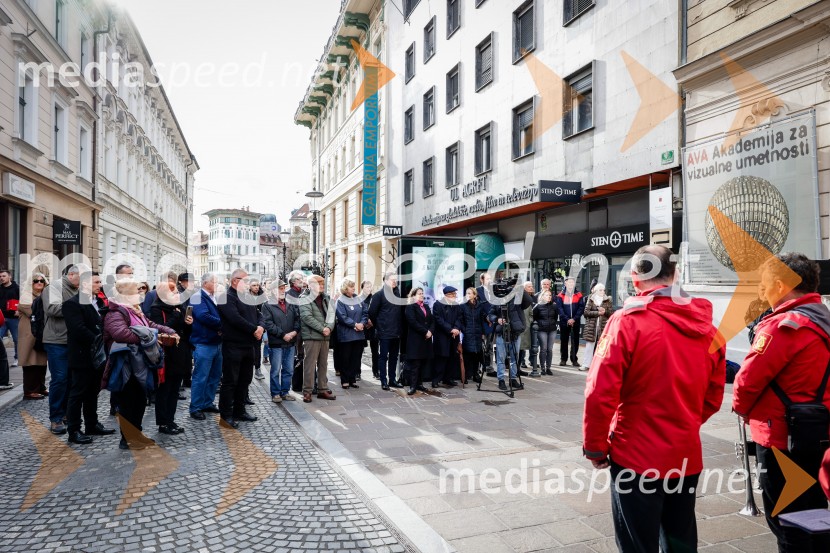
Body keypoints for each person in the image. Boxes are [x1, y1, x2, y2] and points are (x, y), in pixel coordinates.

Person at [583, 245, 725, 553]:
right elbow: (713, 395)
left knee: (637, 543)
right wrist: (684, 422)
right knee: (680, 539)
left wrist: (595, 446)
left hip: (636, 456)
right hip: (685, 454)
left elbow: (599, 393)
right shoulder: (709, 329)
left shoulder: (627, 322)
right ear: (675, 275)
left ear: (635, 278)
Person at [733, 253, 830, 552]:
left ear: (779, 285)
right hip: (820, 432)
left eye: (763, 285)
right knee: (816, 512)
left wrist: (742, 410)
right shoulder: (824, 319)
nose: (761, 292)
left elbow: (746, 383)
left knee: (787, 521)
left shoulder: (783, 326)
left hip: (782, 437)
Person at [104, 278, 176, 450]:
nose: (140, 293)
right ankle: (127, 439)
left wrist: (167, 330)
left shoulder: (135, 310)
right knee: (128, 402)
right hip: (126, 364)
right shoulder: (115, 312)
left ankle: (137, 433)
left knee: (139, 400)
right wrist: (151, 337)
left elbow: (149, 324)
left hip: (140, 363)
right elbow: (121, 334)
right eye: (136, 291)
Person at [64, 271, 115, 444]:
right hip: (81, 355)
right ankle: (74, 430)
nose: (100, 285)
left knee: (93, 392)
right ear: (85, 284)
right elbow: (78, 329)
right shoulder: (72, 303)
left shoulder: (98, 301)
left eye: (100, 281)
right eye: (96, 282)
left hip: (97, 355)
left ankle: (92, 424)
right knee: (77, 393)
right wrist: (98, 339)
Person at [217, 269, 263, 428]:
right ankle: (226, 415)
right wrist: (254, 329)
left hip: (248, 345)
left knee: (245, 380)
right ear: (235, 281)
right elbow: (235, 319)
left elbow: (259, 314)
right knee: (230, 381)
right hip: (233, 345)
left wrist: (261, 327)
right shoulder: (225, 297)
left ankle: (239, 410)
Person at [150, 275, 192, 435]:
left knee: (175, 388)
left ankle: (171, 420)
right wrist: (176, 318)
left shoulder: (178, 307)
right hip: (166, 354)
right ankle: (163, 423)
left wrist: (189, 323)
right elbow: (161, 329)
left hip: (180, 352)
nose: (176, 295)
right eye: (173, 292)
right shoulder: (156, 309)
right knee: (164, 389)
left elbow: (184, 332)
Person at [43, 265, 80, 434]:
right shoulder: (55, 287)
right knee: (59, 379)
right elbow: (51, 309)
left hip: (73, 340)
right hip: (56, 340)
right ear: (71, 275)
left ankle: (66, 414)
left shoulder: (77, 288)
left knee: (71, 379)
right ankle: (56, 418)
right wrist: (77, 308)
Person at [189, 272, 223, 421]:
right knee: (200, 377)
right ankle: (196, 407)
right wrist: (223, 324)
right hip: (203, 342)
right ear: (205, 283)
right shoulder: (197, 297)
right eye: (214, 282)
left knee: (214, 376)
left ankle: (207, 402)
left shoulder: (214, 297)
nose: (217, 285)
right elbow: (203, 316)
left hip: (216, 342)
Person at [262, 280, 300, 403]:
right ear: (273, 291)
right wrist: (283, 335)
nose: (283, 291)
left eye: (284, 288)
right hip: (277, 343)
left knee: (289, 369)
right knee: (275, 370)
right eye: (280, 288)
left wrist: (294, 332)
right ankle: (275, 393)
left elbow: (298, 319)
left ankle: (285, 392)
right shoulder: (267, 305)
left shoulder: (291, 303)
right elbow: (268, 324)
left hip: (290, 342)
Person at [300, 275, 336, 403]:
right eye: (318, 284)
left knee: (323, 364)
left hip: (325, 336)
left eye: (322, 284)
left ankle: (322, 389)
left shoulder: (326, 298)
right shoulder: (304, 299)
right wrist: (323, 329)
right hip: (312, 336)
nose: (321, 286)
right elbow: (307, 317)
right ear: (310, 285)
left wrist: (329, 328)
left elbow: (332, 315)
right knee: (309, 365)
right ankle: (307, 391)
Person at [489, 285, 532, 391]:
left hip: (515, 332)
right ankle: (501, 380)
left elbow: (529, 300)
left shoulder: (517, 299)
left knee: (514, 358)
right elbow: (490, 314)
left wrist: (519, 288)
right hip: (502, 332)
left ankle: (513, 379)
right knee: (501, 358)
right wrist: (497, 319)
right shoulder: (497, 300)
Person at [369, 272, 404, 391]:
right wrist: (380, 325)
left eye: (396, 280)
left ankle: (392, 379)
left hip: (397, 331)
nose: (394, 281)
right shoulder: (378, 295)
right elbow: (372, 313)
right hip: (384, 332)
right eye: (392, 279)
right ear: (385, 281)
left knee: (394, 357)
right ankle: (384, 381)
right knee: (383, 357)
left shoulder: (398, 294)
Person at [19, 273, 49, 399]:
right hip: (29, 333)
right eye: (36, 280)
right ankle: (30, 390)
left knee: (41, 361)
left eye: (42, 280)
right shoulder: (26, 296)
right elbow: (36, 312)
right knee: (30, 362)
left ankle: (41, 387)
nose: (39, 282)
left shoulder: (45, 295)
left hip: (41, 332)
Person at [335, 279, 368, 390]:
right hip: (346, 335)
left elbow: (365, 312)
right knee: (345, 358)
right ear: (345, 288)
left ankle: (352, 379)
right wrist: (355, 324)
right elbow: (342, 317)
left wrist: (362, 323)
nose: (354, 288)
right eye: (351, 286)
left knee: (356, 358)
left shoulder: (357, 299)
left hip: (359, 334)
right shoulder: (340, 301)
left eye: (353, 286)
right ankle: (345, 380)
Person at [404, 287, 434, 396]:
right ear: (413, 296)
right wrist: (425, 331)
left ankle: (420, 383)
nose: (421, 295)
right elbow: (413, 322)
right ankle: (413, 386)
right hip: (416, 339)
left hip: (426, 339)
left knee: (423, 363)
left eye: (422, 293)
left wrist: (430, 331)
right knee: (415, 364)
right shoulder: (410, 307)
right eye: (419, 294)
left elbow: (432, 320)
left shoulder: (426, 306)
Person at [432, 286, 461, 388]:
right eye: (453, 294)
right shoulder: (438, 305)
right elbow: (439, 320)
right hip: (442, 337)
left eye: (455, 294)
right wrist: (450, 329)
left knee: (452, 358)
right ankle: (436, 380)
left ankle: (448, 379)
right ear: (447, 295)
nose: (455, 296)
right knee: (441, 359)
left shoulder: (456, 305)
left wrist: (456, 328)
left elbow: (459, 318)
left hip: (454, 336)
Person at [581, 283, 613, 371]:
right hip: (592, 325)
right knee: (589, 346)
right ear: (595, 291)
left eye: (603, 290)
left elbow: (611, 313)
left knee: (602, 346)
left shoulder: (608, 300)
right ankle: (586, 364)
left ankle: (600, 365)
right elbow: (586, 312)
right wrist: (597, 313)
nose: (602, 291)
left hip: (602, 326)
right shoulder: (591, 299)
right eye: (600, 290)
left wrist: (605, 311)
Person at [555, 277, 585, 367]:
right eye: (569, 283)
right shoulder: (560, 295)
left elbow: (581, 308)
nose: (571, 284)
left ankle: (574, 359)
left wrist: (574, 319)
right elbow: (559, 309)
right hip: (564, 321)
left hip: (575, 321)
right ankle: (563, 359)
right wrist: (567, 319)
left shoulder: (579, 295)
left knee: (575, 341)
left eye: (572, 283)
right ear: (565, 284)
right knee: (564, 340)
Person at [287, 271, 307, 393]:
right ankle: (296, 384)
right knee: (297, 357)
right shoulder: (289, 295)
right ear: (293, 281)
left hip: (305, 329)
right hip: (295, 331)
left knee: (306, 357)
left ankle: (307, 382)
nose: (302, 281)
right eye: (300, 279)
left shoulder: (304, 293)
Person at [533, 290, 558, 376]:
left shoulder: (554, 306)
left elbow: (555, 317)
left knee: (549, 349)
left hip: (552, 329)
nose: (549, 297)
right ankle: (542, 368)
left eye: (550, 295)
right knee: (543, 349)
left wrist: (552, 324)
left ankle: (548, 368)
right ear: (542, 296)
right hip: (542, 329)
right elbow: (533, 317)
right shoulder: (538, 306)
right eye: (547, 295)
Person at [0, 269, 21, 365]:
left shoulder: (17, 288)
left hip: (14, 318)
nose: (1, 278)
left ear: (10, 277)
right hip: (2, 318)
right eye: (0, 276)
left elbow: (23, 301)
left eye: (4, 276)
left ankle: (17, 358)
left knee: (16, 339)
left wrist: (19, 311)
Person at [249, 279, 267, 381]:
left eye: (257, 285)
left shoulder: (262, 298)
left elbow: (264, 314)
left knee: (257, 349)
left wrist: (261, 327)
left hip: (259, 327)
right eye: (254, 285)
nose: (256, 287)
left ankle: (258, 368)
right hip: (249, 327)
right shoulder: (245, 298)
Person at [518, 281, 538, 376]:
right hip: (517, 329)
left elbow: (531, 314)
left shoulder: (528, 301)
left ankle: (518, 369)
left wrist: (529, 322)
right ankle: (515, 369)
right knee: (516, 350)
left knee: (522, 349)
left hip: (526, 328)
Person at [361, 281, 379, 379]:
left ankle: (376, 371)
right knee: (359, 350)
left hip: (373, 327)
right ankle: (357, 372)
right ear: (362, 288)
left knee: (375, 351)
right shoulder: (359, 299)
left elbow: (378, 311)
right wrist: (366, 321)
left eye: (370, 287)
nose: (369, 288)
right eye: (367, 287)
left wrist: (372, 321)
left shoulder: (374, 298)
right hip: (362, 327)